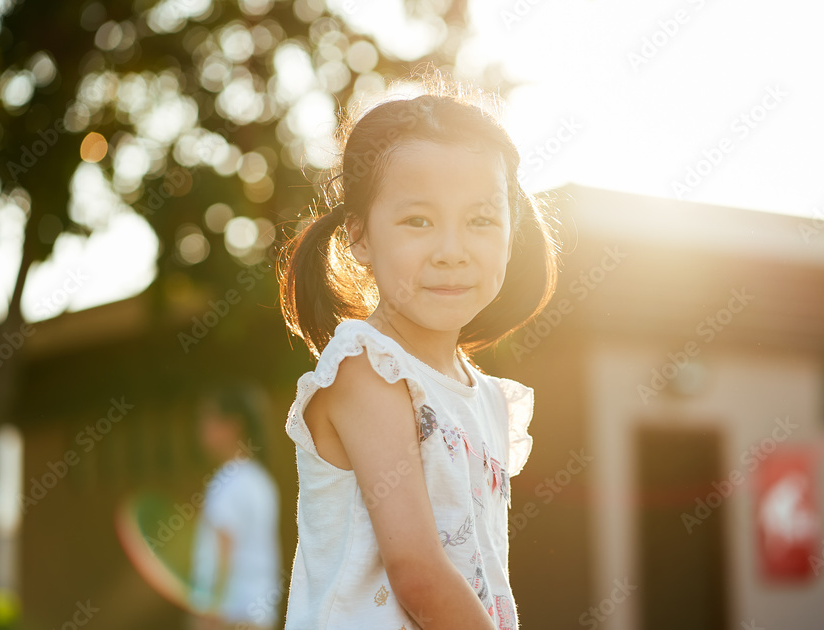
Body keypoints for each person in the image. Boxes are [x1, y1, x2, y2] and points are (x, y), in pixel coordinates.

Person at [276, 66, 562, 630]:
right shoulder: (369, 369)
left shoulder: (483, 397)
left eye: (481, 219)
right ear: (358, 234)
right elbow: (418, 573)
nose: (452, 250)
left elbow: (476, 570)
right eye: (419, 220)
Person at [188, 383, 283, 630]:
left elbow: (223, 549)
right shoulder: (261, 480)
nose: (202, 427)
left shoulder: (226, 481)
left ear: (233, 425)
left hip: (228, 616)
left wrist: (207, 612)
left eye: (209, 418)